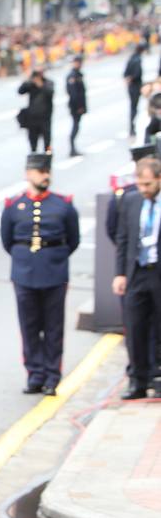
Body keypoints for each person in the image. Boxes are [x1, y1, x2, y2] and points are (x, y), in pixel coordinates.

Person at [0, 154, 80, 396]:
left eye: (47, 171)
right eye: (39, 171)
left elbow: (73, 240)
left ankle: (52, 376)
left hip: (54, 271)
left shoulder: (63, 205)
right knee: (30, 326)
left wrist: (55, 256)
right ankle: (34, 374)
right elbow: (7, 240)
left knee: (53, 327)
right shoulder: (14, 206)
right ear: (28, 174)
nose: (45, 176)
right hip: (24, 272)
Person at [113, 156, 161, 400]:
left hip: (158, 271)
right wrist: (120, 273)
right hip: (137, 272)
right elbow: (123, 238)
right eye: (140, 184)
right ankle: (137, 380)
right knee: (135, 327)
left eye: (148, 185)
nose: (143, 190)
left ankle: (158, 377)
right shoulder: (131, 201)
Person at [17, 70, 53, 153]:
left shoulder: (48, 83)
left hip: (45, 119)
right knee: (33, 142)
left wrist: (40, 84)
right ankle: (34, 156)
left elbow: (50, 92)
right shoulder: (30, 84)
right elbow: (20, 91)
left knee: (47, 142)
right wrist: (27, 80)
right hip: (32, 119)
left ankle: (47, 158)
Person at [65, 56, 87, 157]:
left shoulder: (78, 74)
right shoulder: (73, 76)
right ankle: (72, 148)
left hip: (78, 105)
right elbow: (74, 93)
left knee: (77, 125)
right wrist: (79, 107)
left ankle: (73, 148)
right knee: (75, 126)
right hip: (75, 106)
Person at [125, 44, 145, 139]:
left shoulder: (130, 58)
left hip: (131, 86)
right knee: (134, 108)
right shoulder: (137, 60)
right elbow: (137, 74)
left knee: (133, 107)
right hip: (136, 86)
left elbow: (125, 73)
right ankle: (133, 128)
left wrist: (128, 79)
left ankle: (132, 128)